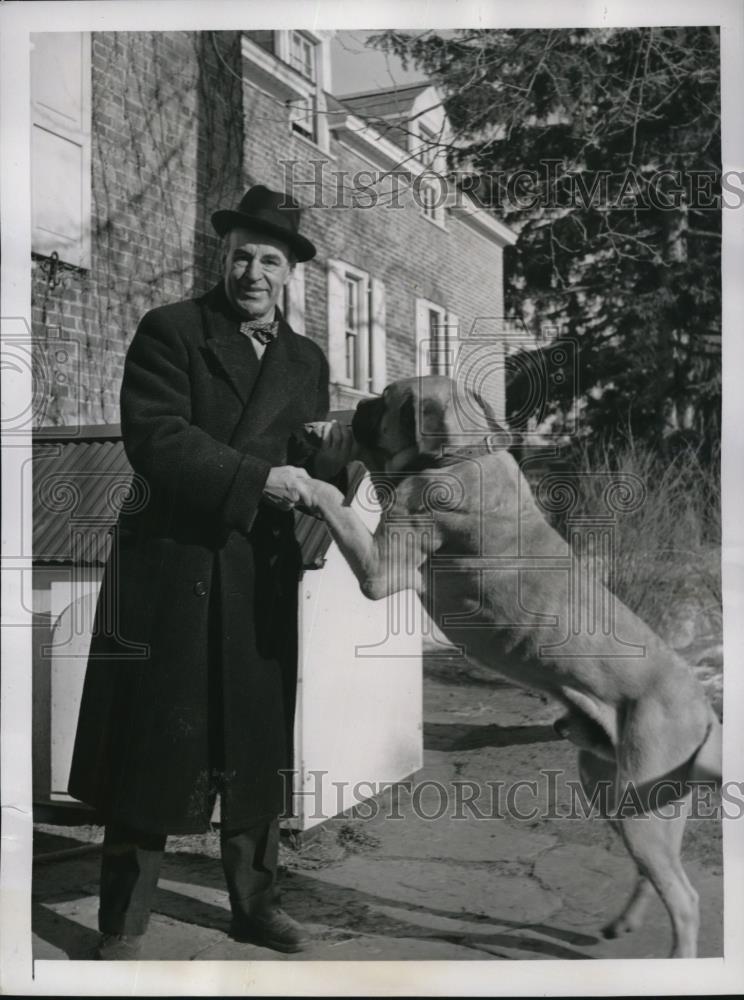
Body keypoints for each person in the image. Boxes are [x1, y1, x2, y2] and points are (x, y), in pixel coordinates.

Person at [68, 185, 351, 959]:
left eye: (269, 259)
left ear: (292, 272)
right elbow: (156, 438)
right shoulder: (173, 331)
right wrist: (264, 480)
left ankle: (255, 903)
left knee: (255, 744)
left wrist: (334, 460)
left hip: (257, 572)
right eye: (240, 256)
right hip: (172, 567)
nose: (252, 272)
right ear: (222, 259)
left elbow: (308, 468)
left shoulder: (306, 360)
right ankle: (123, 922)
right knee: (152, 744)